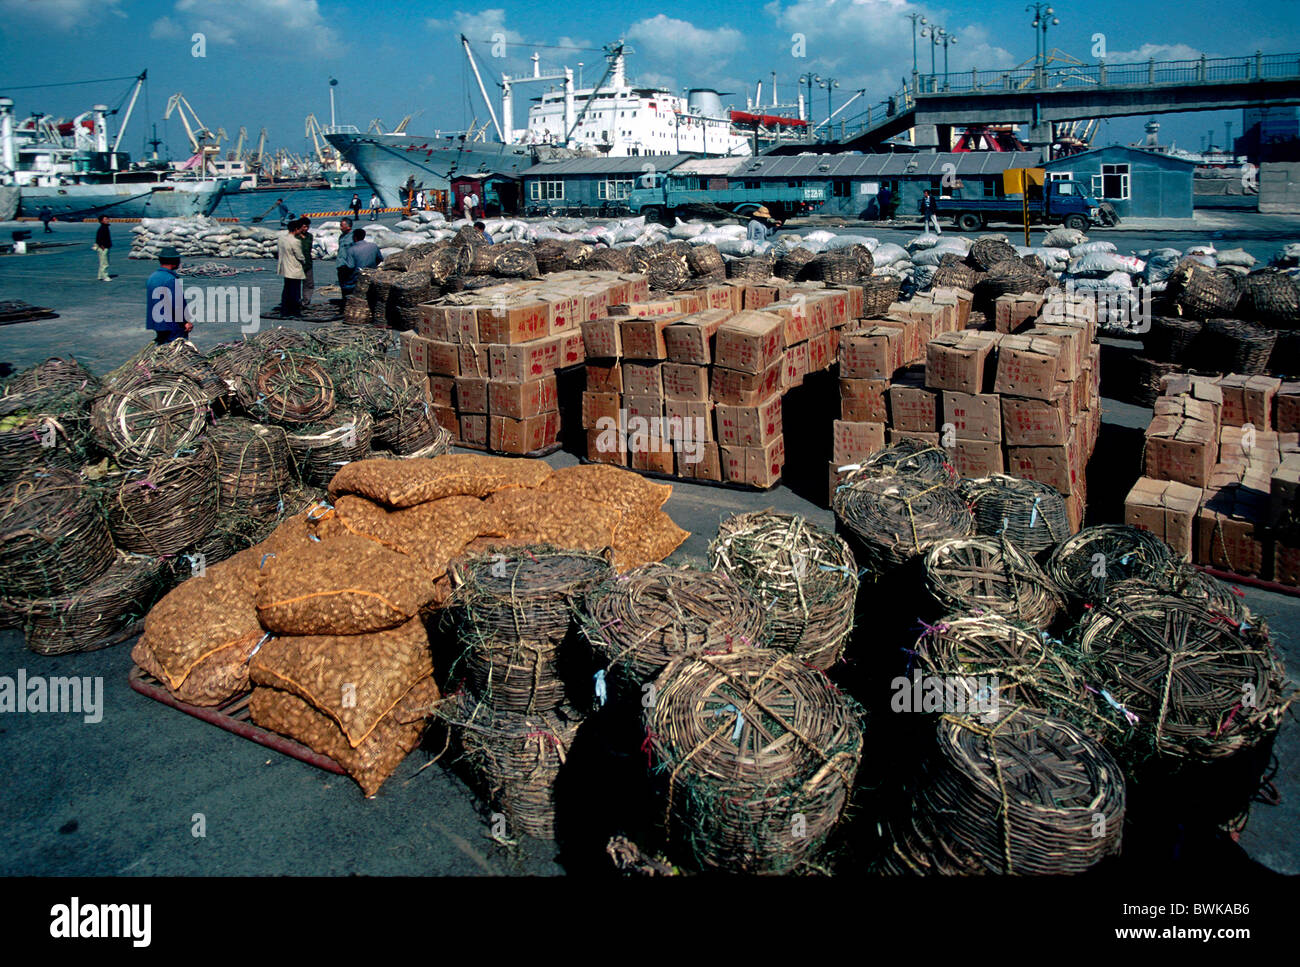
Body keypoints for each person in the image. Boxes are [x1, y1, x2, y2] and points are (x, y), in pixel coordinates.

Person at [146, 247, 193, 344]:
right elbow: (176, 305)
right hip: (172, 324)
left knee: (162, 349)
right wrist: (185, 322)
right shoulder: (170, 280)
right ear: (175, 261)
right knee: (177, 350)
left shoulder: (153, 277)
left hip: (158, 324)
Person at [277, 218, 307, 317]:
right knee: (295, 292)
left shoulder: (281, 239)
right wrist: (304, 261)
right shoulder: (295, 241)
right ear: (296, 229)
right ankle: (295, 312)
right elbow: (299, 255)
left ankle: (285, 311)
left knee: (286, 290)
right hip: (294, 268)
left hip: (285, 267)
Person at [335, 217, 356, 293]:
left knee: (349, 285)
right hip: (340, 264)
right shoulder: (341, 237)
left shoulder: (353, 236)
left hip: (348, 265)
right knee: (342, 285)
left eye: (342, 226)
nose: (340, 228)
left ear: (348, 226)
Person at [299, 215, 315, 306]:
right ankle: (296, 301)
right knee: (296, 284)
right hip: (298, 264)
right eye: (304, 226)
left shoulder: (309, 236)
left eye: (308, 227)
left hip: (308, 263)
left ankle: (306, 300)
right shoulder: (296, 237)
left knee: (309, 283)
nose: (306, 228)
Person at [93, 215, 112, 281]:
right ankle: (105, 276)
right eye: (105, 219)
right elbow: (98, 238)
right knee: (105, 263)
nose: (107, 220)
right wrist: (102, 246)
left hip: (105, 246)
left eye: (107, 219)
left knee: (102, 262)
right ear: (101, 221)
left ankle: (100, 276)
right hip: (103, 247)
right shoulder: (102, 228)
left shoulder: (105, 227)